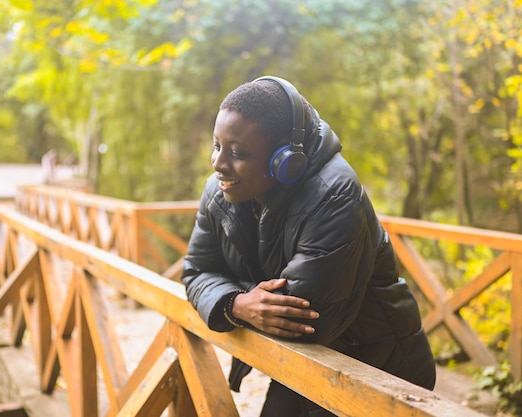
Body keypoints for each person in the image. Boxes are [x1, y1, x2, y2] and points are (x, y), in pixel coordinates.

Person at [181, 76, 436, 417]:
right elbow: (197, 271)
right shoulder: (221, 190)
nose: (218, 164)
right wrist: (236, 303)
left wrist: (235, 297)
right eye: (217, 146)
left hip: (379, 368)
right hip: (309, 362)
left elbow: (301, 319)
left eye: (238, 152)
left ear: (285, 158)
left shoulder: (335, 195)